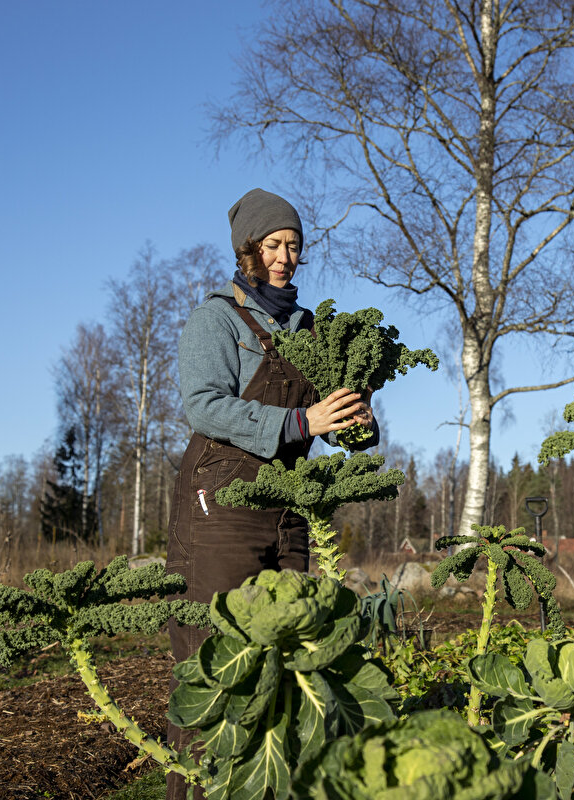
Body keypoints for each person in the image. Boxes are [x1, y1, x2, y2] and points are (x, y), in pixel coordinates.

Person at [164, 188, 377, 800]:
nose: (285, 257)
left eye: (294, 246)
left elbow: (328, 421)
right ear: (247, 250)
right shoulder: (216, 320)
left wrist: (356, 421)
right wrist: (301, 422)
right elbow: (204, 406)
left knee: (284, 665)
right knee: (214, 666)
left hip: (287, 510)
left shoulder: (310, 330)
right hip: (220, 507)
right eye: (273, 245)